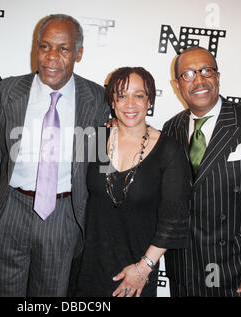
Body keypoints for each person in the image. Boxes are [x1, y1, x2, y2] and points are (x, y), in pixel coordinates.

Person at [0, 14, 110, 296]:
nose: (51, 57)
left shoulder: (97, 99)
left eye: (63, 49)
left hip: (62, 216)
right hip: (11, 209)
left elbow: (98, 161)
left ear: (79, 54)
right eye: (45, 46)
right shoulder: (5, 93)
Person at [163, 46, 241, 297]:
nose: (198, 80)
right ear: (177, 85)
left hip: (237, 271)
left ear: (217, 77)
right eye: (188, 74)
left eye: (206, 71)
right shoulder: (171, 129)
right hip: (184, 269)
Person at [73, 67, 191, 297]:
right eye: (121, 95)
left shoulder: (169, 150)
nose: (130, 103)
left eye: (139, 95)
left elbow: (174, 219)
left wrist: (143, 268)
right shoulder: (94, 139)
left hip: (135, 274)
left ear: (150, 101)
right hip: (86, 268)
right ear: (112, 101)